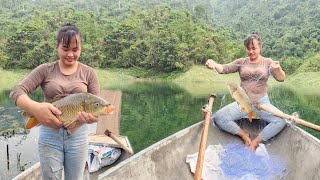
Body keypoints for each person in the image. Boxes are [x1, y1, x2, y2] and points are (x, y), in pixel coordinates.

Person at [9, 23, 100, 179]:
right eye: (65, 49)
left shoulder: (89, 73)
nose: (70, 54)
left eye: (75, 49)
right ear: (57, 47)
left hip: (78, 137)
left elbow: (97, 107)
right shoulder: (45, 69)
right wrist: (36, 108)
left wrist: (91, 118)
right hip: (49, 135)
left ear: (81, 48)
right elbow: (16, 92)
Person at [205, 32, 287, 151]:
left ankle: (255, 142)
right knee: (219, 118)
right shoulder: (242, 62)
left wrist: (277, 68)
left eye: (254, 48)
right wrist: (214, 64)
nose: (251, 51)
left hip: (262, 103)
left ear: (260, 47)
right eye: (248, 49)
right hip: (243, 103)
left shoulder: (268, 62)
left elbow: (281, 78)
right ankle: (244, 135)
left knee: (281, 121)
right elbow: (224, 69)